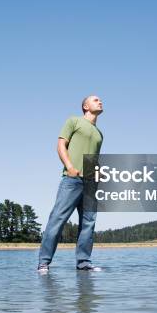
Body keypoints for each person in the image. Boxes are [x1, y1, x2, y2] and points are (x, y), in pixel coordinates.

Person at [37, 95, 104, 272]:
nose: (100, 101)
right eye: (95, 100)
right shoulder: (73, 121)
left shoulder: (99, 134)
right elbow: (61, 145)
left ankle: (83, 263)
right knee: (58, 219)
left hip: (91, 183)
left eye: (100, 100)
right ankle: (43, 262)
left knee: (88, 223)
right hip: (72, 179)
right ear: (85, 106)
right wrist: (70, 167)